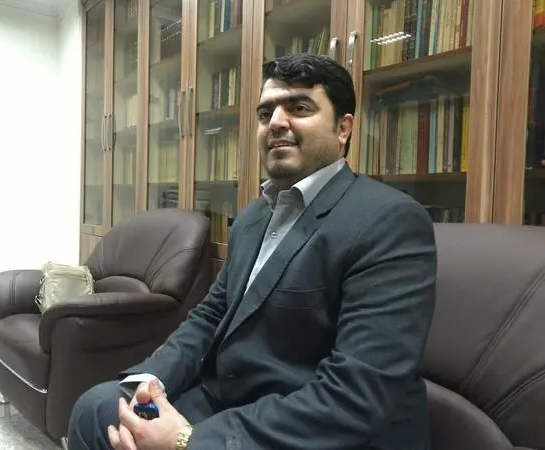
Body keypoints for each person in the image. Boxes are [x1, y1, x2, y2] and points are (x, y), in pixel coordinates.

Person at [67, 53, 437, 450]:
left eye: (299, 108)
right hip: (230, 399)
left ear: (343, 128)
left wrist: (187, 440)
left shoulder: (389, 220)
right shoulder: (252, 218)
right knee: (99, 408)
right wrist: (150, 381)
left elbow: (357, 394)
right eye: (265, 113)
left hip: (311, 426)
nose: (276, 122)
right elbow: (210, 316)